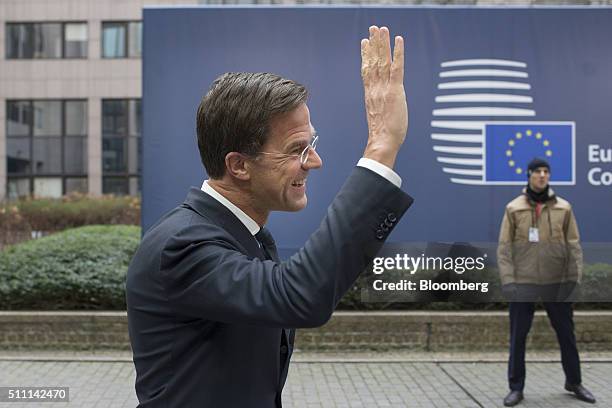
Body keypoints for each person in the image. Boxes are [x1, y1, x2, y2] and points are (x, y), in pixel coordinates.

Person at [126, 26, 413, 407]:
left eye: (312, 143)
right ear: (239, 165)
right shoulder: (182, 245)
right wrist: (381, 147)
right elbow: (300, 295)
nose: (314, 161)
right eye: (297, 149)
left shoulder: (250, 237)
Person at [497, 158, 596, 406]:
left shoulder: (564, 208)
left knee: (566, 335)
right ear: (529, 176)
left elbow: (574, 245)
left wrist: (574, 278)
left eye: (546, 172)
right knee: (518, 337)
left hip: (556, 282)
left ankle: (574, 382)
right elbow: (504, 248)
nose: (542, 176)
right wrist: (508, 280)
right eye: (537, 172)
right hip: (524, 282)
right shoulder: (514, 208)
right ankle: (516, 387)